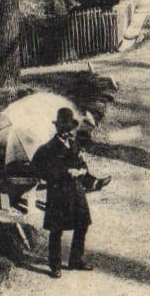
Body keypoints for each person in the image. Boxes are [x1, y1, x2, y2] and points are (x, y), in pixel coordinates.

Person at [29, 106, 108, 277]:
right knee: (56, 230)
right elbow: (39, 169)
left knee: (82, 225)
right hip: (58, 194)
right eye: (64, 128)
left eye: (69, 128)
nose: (68, 132)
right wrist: (65, 172)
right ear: (58, 128)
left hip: (76, 192)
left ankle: (75, 260)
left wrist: (84, 172)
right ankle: (55, 265)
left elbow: (81, 163)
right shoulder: (48, 148)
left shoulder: (73, 144)